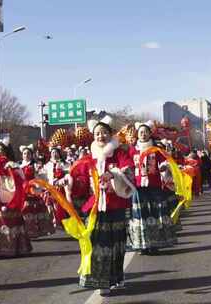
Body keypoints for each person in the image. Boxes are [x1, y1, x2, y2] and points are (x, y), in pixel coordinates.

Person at [75, 115, 135, 296]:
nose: (100, 136)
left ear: (110, 134)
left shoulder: (119, 154)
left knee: (117, 245)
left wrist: (113, 174)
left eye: (104, 133)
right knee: (98, 245)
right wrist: (67, 182)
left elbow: (129, 170)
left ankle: (117, 277)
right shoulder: (87, 158)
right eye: (97, 133)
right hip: (95, 208)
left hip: (115, 206)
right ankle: (102, 281)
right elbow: (80, 181)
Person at [127, 121, 177, 255]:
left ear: (150, 134)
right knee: (141, 216)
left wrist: (164, 167)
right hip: (138, 188)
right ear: (137, 134)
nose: (143, 134)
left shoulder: (156, 149)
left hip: (154, 186)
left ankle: (155, 244)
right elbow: (128, 166)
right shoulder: (132, 150)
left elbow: (165, 162)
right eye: (141, 132)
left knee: (155, 214)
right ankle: (142, 245)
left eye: (146, 132)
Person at [20, 144, 55, 238]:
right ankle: (26, 232)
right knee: (25, 211)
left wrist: (38, 183)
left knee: (35, 211)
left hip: (33, 190)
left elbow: (42, 177)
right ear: (22, 155)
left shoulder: (35, 165)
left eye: (28, 153)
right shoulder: (19, 166)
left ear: (31, 155)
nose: (26, 155)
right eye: (24, 153)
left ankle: (37, 231)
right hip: (23, 191)